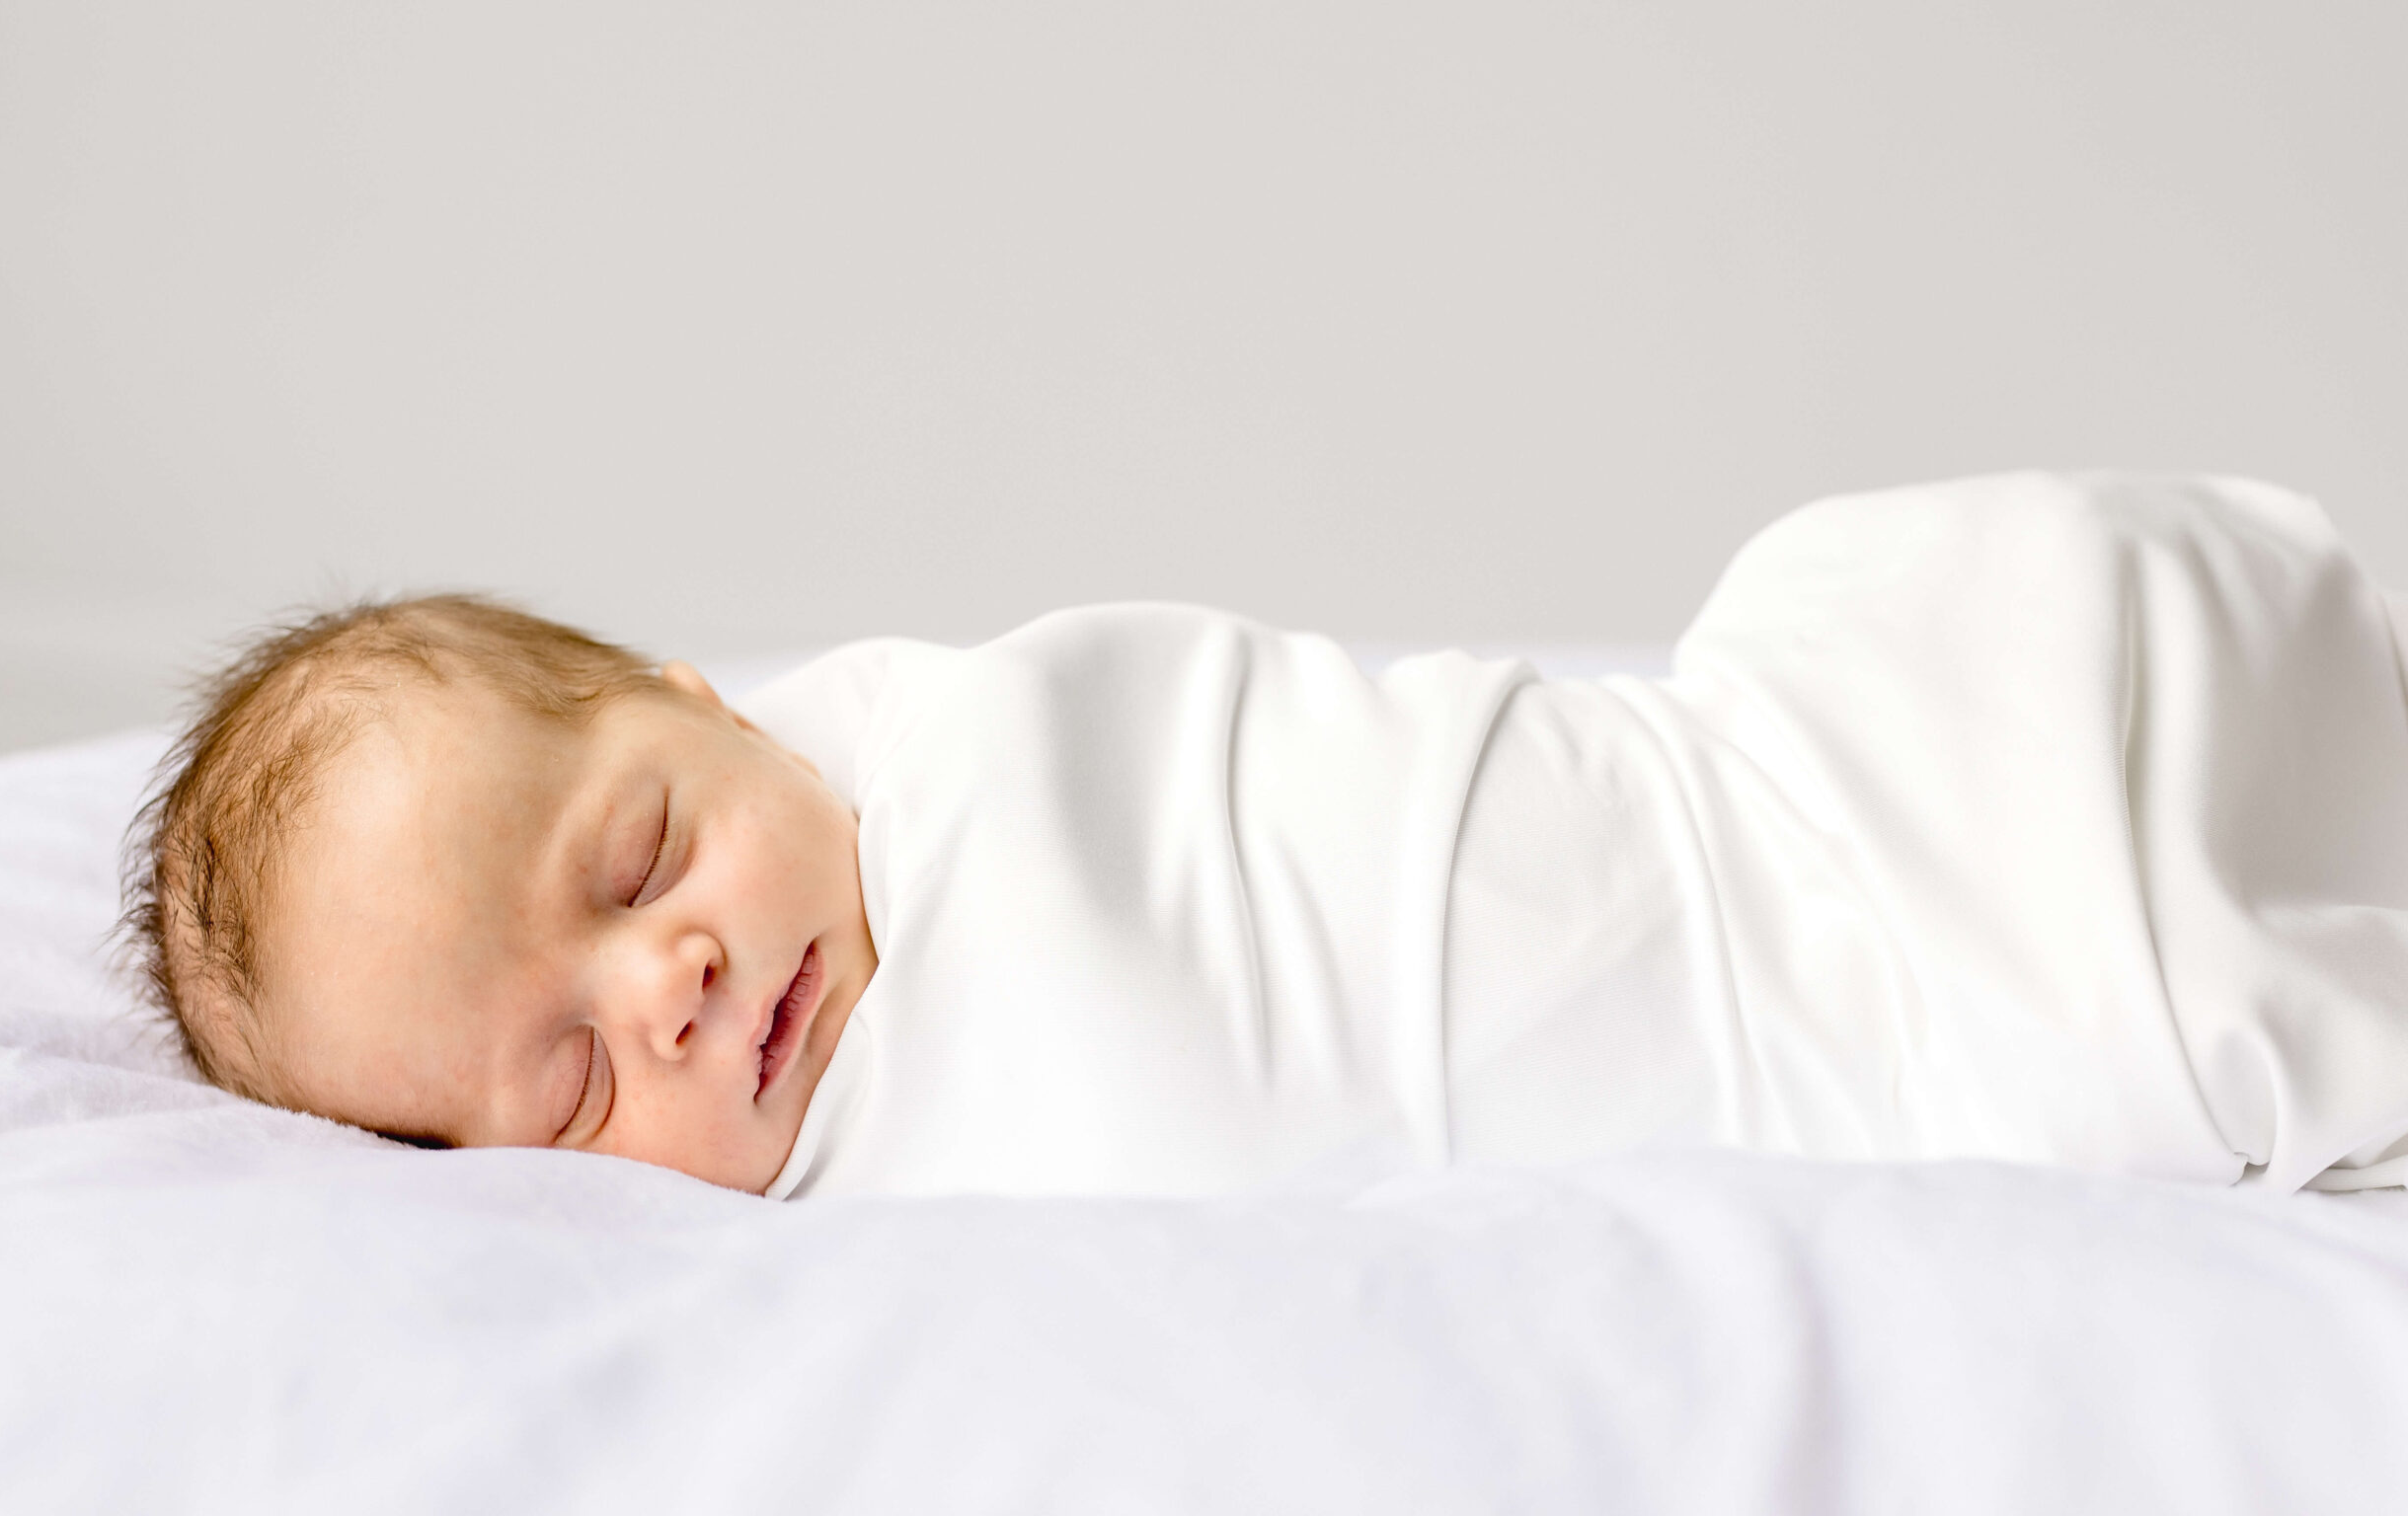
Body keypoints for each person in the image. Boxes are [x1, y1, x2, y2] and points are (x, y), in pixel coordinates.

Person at [121, 471, 2408, 1197]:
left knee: (2054, 638)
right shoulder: (841, 1213)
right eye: (572, 1077)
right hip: (1821, 1055)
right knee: (2128, 1016)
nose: (675, 977)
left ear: (703, 702)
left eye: (636, 861)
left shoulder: (925, 749)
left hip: (1756, 800)